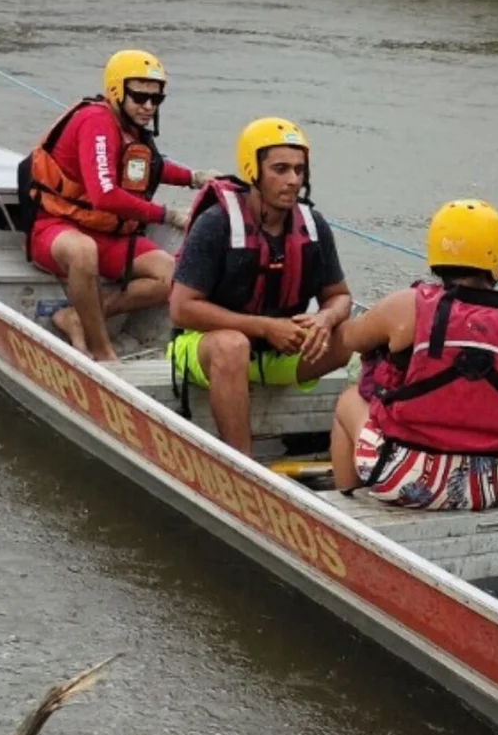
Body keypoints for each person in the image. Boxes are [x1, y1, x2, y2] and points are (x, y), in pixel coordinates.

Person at [329, 199, 498, 511]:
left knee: (348, 400)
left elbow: (351, 337)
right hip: (497, 484)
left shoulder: (405, 306)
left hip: (404, 479)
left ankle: (348, 509)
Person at [167, 117, 353, 455]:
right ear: (253, 170)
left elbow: (339, 297)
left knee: (356, 335)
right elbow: (181, 309)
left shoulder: (314, 226)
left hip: (277, 351)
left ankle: (347, 449)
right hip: (205, 347)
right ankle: (242, 467)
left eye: (299, 170)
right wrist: (265, 327)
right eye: (280, 169)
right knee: (232, 346)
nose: (293, 180)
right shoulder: (216, 223)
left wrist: (325, 320)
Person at [19, 49, 210, 361]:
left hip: (109, 236)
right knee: (84, 252)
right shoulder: (95, 121)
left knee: (174, 275)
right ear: (116, 91)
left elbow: (147, 167)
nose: (148, 106)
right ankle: (101, 349)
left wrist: (195, 178)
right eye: (139, 97)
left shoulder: (130, 126)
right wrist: (168, 214)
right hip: (57, 228)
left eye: (156, 99)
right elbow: (105, 195)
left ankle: (78, 317)